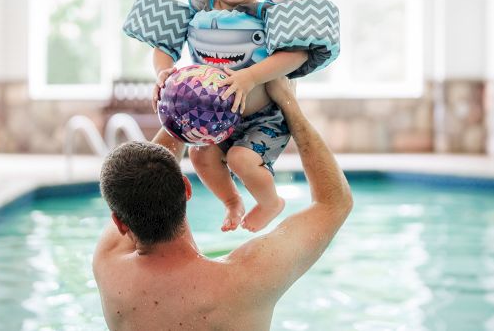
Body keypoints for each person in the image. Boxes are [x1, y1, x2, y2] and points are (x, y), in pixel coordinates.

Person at [93, 76, 353, 331]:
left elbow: (137, 184)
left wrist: (184, 109)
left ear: (119, 222)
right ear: (186, 188)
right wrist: (288, 102)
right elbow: (334, 203)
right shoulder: (246, 278)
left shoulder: (108, 266)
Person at [132, 0, 340, 233]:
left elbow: (297, 55)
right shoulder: (194, 15)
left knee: (242, 161)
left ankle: (270, 202)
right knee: (200, 155)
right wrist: (163, 72)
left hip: (262, 118)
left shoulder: (270, 17)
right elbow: (162, 47)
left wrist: (251, 77)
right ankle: (231, 201)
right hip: (212, 119)